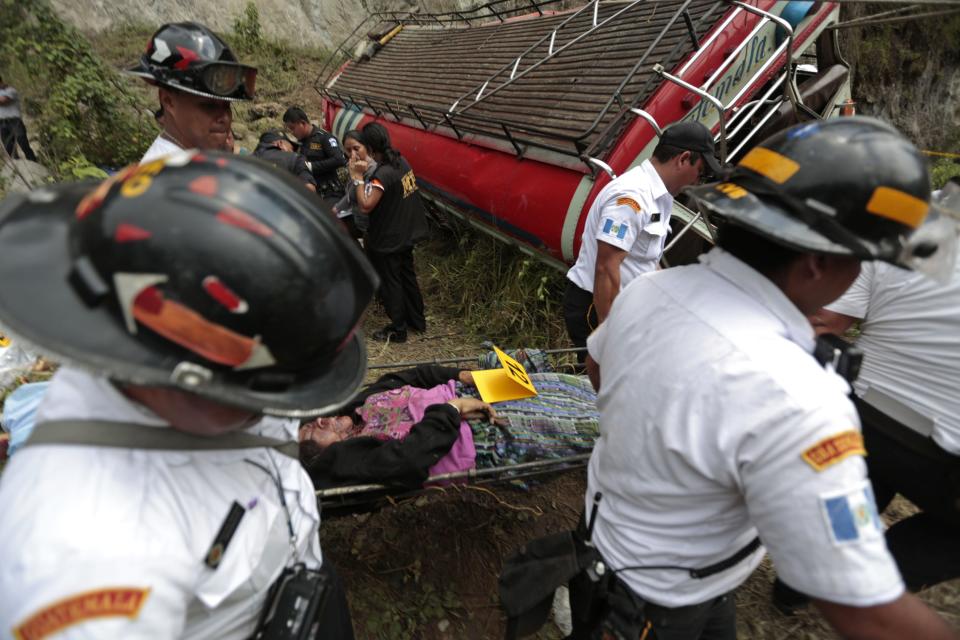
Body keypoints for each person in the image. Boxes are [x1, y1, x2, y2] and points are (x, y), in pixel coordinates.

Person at [569, 118, 958, 640]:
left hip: (623, 550)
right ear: (818, 263)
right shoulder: (800, 395)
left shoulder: (649, 292)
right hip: (658, 599)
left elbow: (599, 364)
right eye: (864, 260)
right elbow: (867, 611)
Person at [0, 151, 379, 638]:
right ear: (185, 377)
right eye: (267, 393)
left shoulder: (198, 359)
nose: (274, 410)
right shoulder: (81, 552)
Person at [771, 181, 960, 606]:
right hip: (947, 453)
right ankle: (872, 586)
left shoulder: (902, 225)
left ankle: (792, 591)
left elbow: (824, 320)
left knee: (853, 488)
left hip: (861, 411)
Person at [563, 121, 721, 360]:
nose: (699, 181)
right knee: (606, 385)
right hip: (596, 309)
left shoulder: (660, 196)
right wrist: (609, 335)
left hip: (624, 307)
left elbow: (645, 260)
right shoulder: (631, 197)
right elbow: (606, 268)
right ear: (683, 159)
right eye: (701, 172)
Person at [299, 365, 599, 490]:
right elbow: (408, 460)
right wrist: (452, 409)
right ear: (321, 457)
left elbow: (410, 376)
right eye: (314, 432)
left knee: (563, 384)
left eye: (314, 419)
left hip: (469, 392)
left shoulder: (357, 408)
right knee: (584, 423)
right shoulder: (354, 460)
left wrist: (463, 375)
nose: (322, 420)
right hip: (478, 431)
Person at [128, 22, 256, 162]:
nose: (224, 117)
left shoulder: (192, 163)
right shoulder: (167, 175)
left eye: (227, 105)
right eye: (209, 105)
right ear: (168, 101)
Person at [350, 121, 429, 343]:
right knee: (407, 275)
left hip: (389, 238)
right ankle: (417, 321)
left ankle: (398, 328)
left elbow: (366, 204)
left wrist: (356, 178)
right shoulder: (401, 161)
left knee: (391, 281)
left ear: (371, 148)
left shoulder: (381, 175)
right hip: (407, 232)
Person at [282, 107, 347, 199]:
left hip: (330, 192)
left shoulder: (324, 137)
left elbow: (339, 159)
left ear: (303, 123)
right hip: (310, 193)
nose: (292, 132)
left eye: (293, 128)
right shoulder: (299, 143)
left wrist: (311, 166)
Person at [332, 129, 377, 239]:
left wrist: (336, 209)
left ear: (366, 147)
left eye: (356, 149)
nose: (353, 154)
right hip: (355, 214)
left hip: (368, 224)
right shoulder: (354, 165)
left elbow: (353, 194)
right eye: (348, 150)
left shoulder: (372, 170)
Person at [253, 129, 317, 191]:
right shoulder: (295, 158)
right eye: (291, 148)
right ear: (280, 143)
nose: (292, 151)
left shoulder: (245, 161)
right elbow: (309, 189)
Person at [0, 75, 38, 162]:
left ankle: (33, 162)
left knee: (23, 143)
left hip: (15, 122)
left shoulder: (11, 90)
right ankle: (17, 167)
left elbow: (3, 101)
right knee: (8, 147)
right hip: (2, 123)